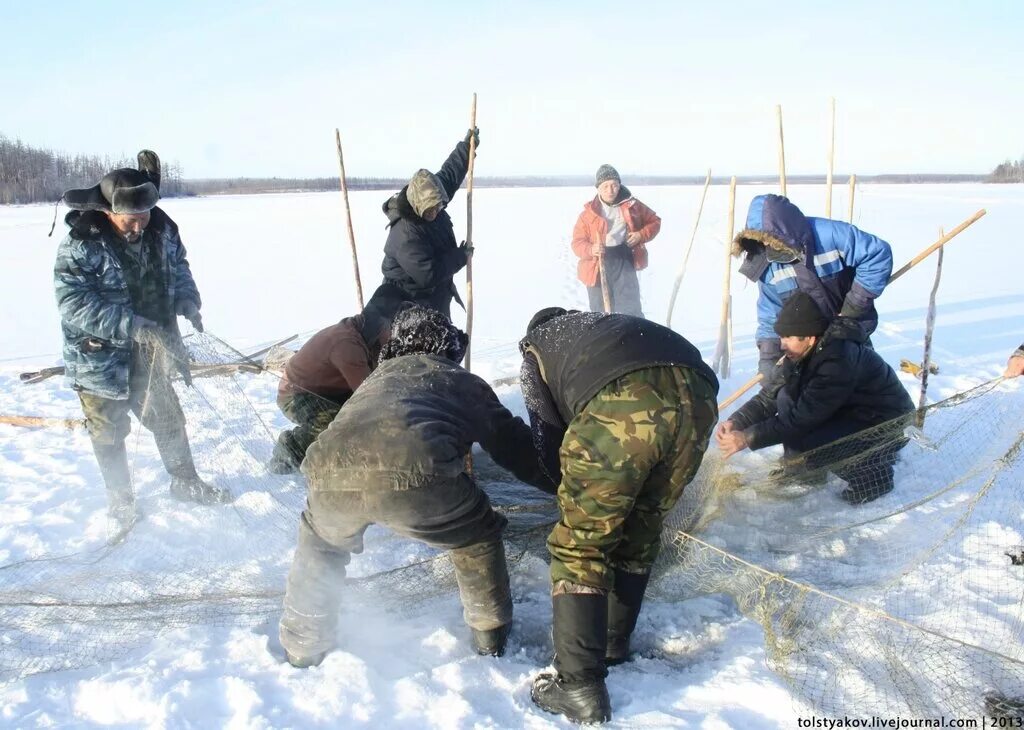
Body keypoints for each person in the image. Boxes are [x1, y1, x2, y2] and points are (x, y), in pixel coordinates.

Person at [278, 305, 554, 668]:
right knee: (476, 535)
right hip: (415, 473)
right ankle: (490, 632)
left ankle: (302, 646)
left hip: (329, 472)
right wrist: (561, 481)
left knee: (321, 545)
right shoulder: (461, 381)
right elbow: (513, 448)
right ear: (449, 347)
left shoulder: (374, 379)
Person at [518, 308, 718, 724]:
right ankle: (611, 641)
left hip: (625, 400)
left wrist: (570, 490)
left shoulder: (537, 347)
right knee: (642, 523)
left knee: (581, 542)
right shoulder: (598, 327)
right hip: (698, 395)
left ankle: (577, 685)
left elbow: (545, 428)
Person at [54, 152, 231, 539]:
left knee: (168, 418)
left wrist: (186, 299)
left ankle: (185, 481)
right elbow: (73, 304)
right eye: (129, 219)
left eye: (144, 215)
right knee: (108, 431)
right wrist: (129, 324)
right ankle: (121, 502)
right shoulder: (81, 245)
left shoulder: (162, 229)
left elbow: (179, 266)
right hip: (100, 357)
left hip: (152, 352)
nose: (138, 224)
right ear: (107, 212)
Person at [715, 292, 914, 504]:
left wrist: (747, 438)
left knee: (818, 441)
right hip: (847, 412)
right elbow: (769, 397)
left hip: (886, 423)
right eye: (781, 337)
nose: (782, 345)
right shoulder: (798, 353)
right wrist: (738, 421)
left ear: (810, 337)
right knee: (785, 397)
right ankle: (804, 469)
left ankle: (873, 478)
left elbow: (802, 418)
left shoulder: (838, 359)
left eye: (789, 338)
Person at [733, 194, 893, 377]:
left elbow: (876, 254)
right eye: (761, 240)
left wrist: (854, 307)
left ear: (784, 229)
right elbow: (771, 313)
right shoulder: (768, 264)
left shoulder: (830, 235)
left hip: (851, 327)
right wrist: (769, 358)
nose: (766, 244)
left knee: (861, 380)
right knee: (815, 391)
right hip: (807, 343)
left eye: (770, 238)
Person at [267, 288, 404, 474]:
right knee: (336, 424)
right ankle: (290, 449)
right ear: (380, 326)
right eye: (393, 328)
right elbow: (370, 397)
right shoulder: (347, 345)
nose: (396, 335)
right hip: (296, 395)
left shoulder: (367, 335)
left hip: (330, 390)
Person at [379, 129, 479, 318]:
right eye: (429, 211)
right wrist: (460, 256)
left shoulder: (431, 195)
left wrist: (467, 148)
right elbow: (428, 274)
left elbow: (450, 174)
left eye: (438, 207)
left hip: (436, 295)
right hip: (411, 302)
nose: (434, 212)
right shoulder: (406, 235)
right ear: (417, 206)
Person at [571, 165, 661, 317]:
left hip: (623, 258)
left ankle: (633, 339)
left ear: (619, 185)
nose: (610, 190)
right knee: (600, 313)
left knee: (630, 309)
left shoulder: (633, 206)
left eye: (614, 185)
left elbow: (655, 221)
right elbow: (577, 243)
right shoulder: (587, 215)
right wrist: (591, 249)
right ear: (598, 189)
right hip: (596, 265)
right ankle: (606, 340)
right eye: (605, 186)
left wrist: (640, 235)